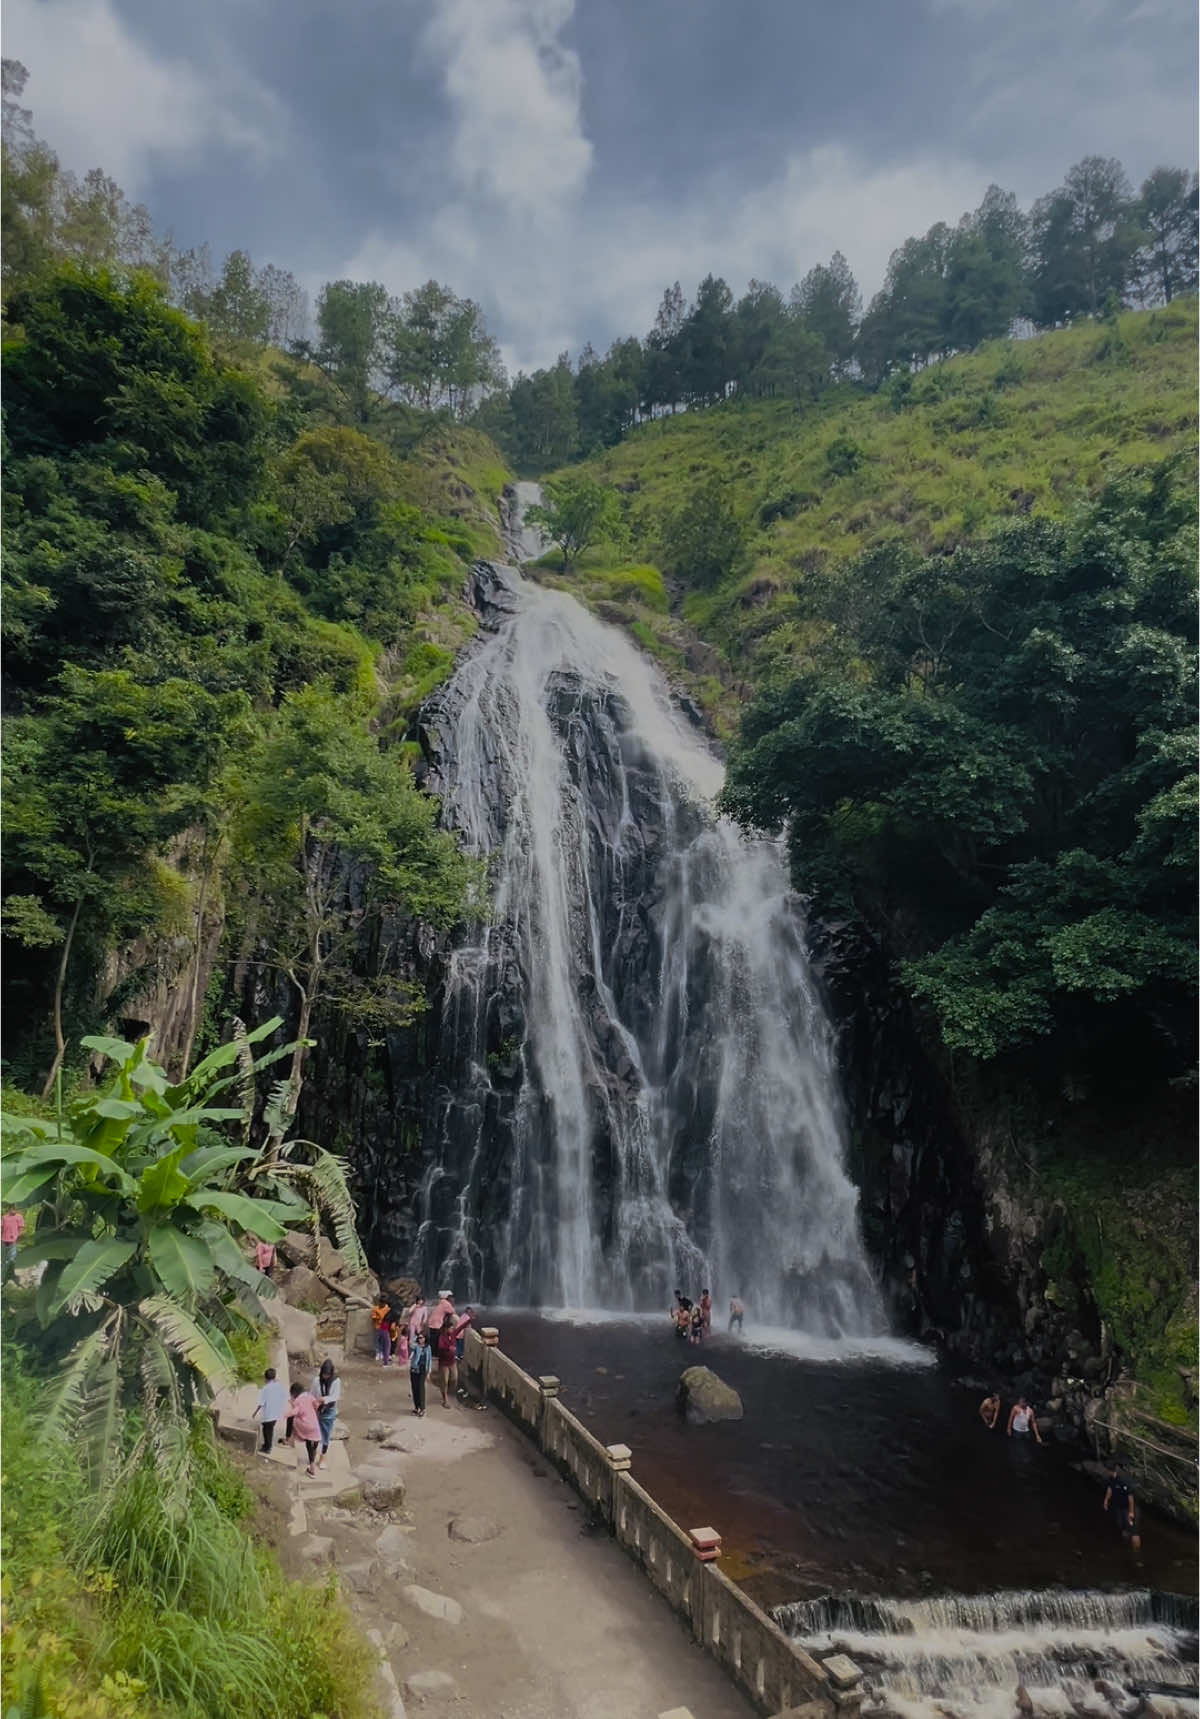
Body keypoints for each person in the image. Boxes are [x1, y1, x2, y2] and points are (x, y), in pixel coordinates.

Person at [288, 1380, 323, 1476]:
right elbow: (317, 1406)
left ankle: (312, 1468)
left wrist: (292, 1403)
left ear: (294, 1393)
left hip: (304, 1425)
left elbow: (295, 1411)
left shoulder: (298, 1400)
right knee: (314, 1443)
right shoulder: (310, 1396)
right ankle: (312, 1464)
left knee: (293, 1420)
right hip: (315, 1425)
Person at [311, 1358, 341, 1468]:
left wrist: (324, 1399)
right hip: (317, 1411)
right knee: (314, 1433)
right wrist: (314, 1403)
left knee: (325, 1434)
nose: (325, 1377)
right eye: (324, 1374)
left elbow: (335, 1396)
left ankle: (323, 1456)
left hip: (329, 1411)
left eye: (327, 1375)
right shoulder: (316, 1381)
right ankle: (312, 1455)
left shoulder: (336, 1381)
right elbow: (312, 1394)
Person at [1103, 1465, 1141, 1550]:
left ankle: (1136, 1551)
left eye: (1108, 1471)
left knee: (1134, 1531)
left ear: (1113, 1471)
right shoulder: (1111, 1479)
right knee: (1121, 1526)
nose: (1107, 1472)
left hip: (1130, 1508)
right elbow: (1110, 1489)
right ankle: (1126, 1545)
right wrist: (1106, 1500)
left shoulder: (1123, 1481)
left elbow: (1130, 1498)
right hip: (1120, 1507)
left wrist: (1131, 1512)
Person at [252, 1366, 288, 1455]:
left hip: (268, 1414)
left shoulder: (265, 1389)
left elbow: (261, 1403)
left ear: (265, 1378)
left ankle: (267, 1447)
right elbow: (284, 1397)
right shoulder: (279, 1386)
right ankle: (267, 1445)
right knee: (269, 1430)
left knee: (267, 1431)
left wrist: (255, 1412)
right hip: (275, 1413)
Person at [435, 1317, 462, 1407]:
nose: (452, 1329)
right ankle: (445, 1399)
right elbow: (440, 1347)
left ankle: (448, 1393)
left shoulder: (453, 1334)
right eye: (451, 1328)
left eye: (453, 1328)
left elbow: (461, 1327)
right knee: (444, 1381)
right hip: (444, 1363)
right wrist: (449, 1348)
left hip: (452, 1362)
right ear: (446, 1329)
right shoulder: (442, 1337)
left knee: (454, 1378)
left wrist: (470, 1320)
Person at [410, 1326, 432, 1416]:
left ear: (425, 1338)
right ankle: (416, 1407)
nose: (420, 1339)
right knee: (414, 1388)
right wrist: (416, 1335)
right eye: (419, 1338)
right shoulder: (416, 1346)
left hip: (423, 1369)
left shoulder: (428, 1348)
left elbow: (429, 1360)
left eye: (421, 1338)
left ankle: (422, 1408)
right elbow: (410, 1343)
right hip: (414, 1368)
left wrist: (428, 1372)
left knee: (421, 1388)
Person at [371, 1299, 392, 1365]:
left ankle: (383, 1353)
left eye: (383, 1303)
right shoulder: (375, 1308)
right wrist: (378, 1317)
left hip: (385, 1327)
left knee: (384, 1341)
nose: (382, 1304)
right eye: (381, 1303)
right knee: (377, 1340)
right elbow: (373, 1316)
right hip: (377, 1326)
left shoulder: (388, 1309)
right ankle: (378, 1352)